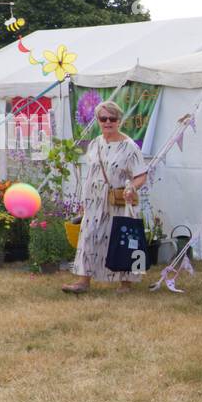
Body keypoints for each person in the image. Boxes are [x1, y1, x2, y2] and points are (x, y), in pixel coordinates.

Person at [63, 101, 148, 294]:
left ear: (119, 120)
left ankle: (125, 283)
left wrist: (132, 188)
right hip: (94, 200)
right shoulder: (94, 144)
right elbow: (90, 174)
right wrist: (84, 202)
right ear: (98, 121)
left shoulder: (129, 147)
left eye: (112, 118)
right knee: (89, 236)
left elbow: (141, 174)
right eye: (103, 118)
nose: (108, 122)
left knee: (121, 240)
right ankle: (83, 281)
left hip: (118, 200)